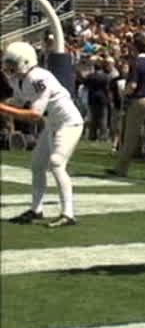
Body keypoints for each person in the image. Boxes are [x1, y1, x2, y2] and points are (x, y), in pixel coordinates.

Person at [1, 41, 83, 228]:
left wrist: (3, 108)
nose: (9, 67)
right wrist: (6, 104)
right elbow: (20, 103)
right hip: (52, 124)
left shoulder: (39, 78)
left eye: (13, 63)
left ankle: (68, 214)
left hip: (69, 124)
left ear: (26, 61)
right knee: (37, 164)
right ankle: (36, 209)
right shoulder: (18, 79)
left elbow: (34, 115)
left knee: (56, 163)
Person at [107, 33, 145, 180]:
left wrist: (124, 94)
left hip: (140, 100)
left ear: (135, 47)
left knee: (130, 136)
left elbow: (133, 85)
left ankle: (121, 168)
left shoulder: (137, 63)